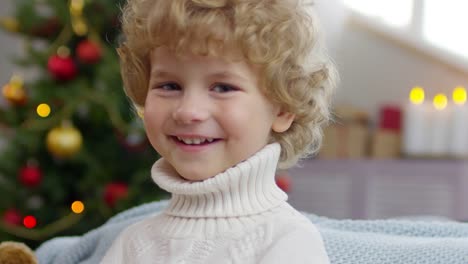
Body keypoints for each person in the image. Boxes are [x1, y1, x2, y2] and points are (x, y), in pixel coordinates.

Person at [101, 0, 337, 263]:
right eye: (169, 86)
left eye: (223, 88)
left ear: (282, 109)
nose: (188, 111)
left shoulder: (287, 242)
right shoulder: (133, 243)